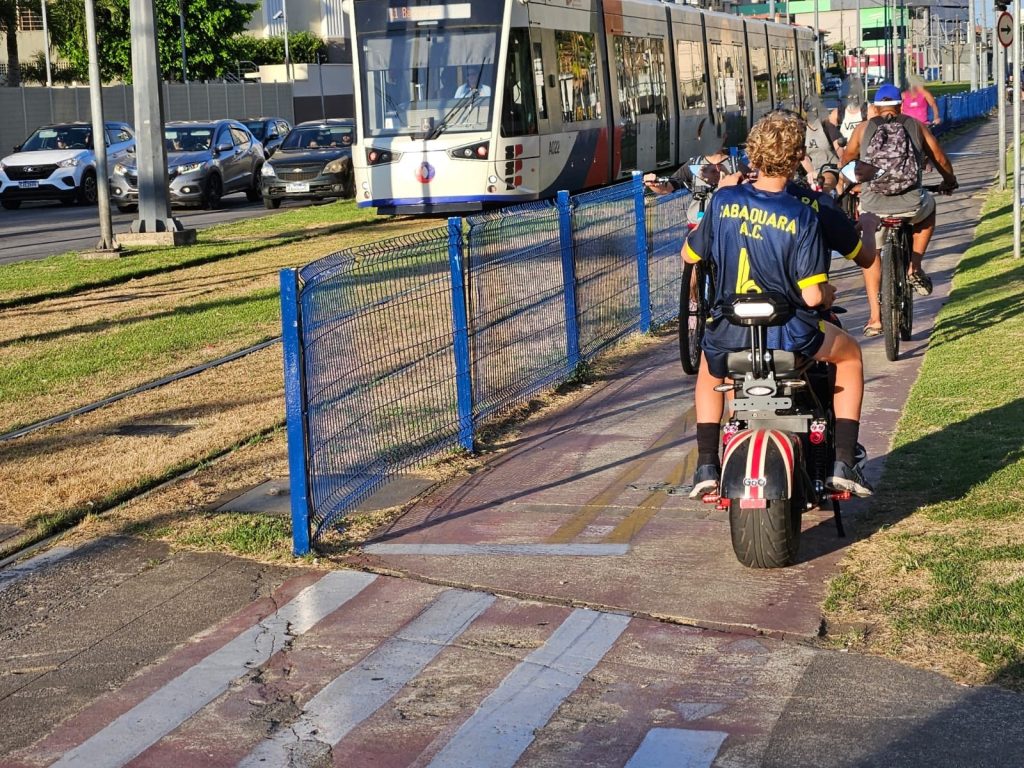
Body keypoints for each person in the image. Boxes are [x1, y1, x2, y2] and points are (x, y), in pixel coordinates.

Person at [682, 110, 873, 499]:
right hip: (789, 333)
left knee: (708, 373)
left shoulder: (723, 201)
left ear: (752, 155)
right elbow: (813, 296)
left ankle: (705, 465)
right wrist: (830, 293)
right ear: (797, 157)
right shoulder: (803, 213)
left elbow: (689, 255)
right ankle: (843, 463)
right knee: (850, 356)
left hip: (730, 330)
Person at [843, 83, 957, 311]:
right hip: (910, 203)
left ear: (874, 108)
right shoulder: (915, 125)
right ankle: (914, 266)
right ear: (900, 106)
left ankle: (875, 318)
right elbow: (940, 158)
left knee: (871, 254)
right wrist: (949, 182)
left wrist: (855, 186)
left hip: (873, 204)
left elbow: (846, 161)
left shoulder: (863, 129)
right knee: (929, 208)